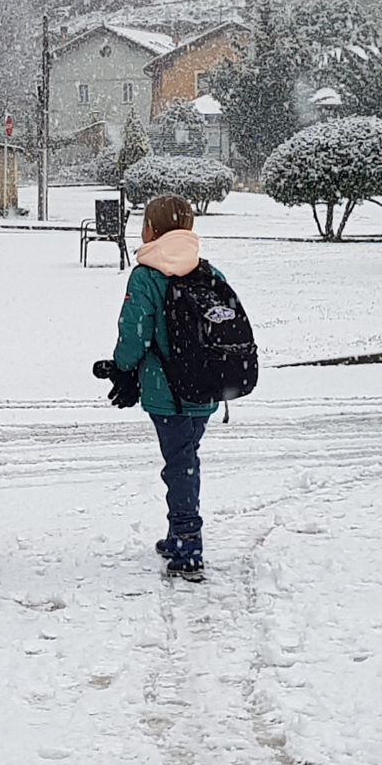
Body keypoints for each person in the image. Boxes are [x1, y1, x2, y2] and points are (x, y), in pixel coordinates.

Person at [108, 194, 218, 582]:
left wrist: (122, 368)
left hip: (165, 390)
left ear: (151, 230)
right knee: (185, 458)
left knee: (179, 465)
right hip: (206, 386)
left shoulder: (146, 275)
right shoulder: (207, 270)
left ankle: (188, 543)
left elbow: (134, 332)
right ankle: (178, 535)